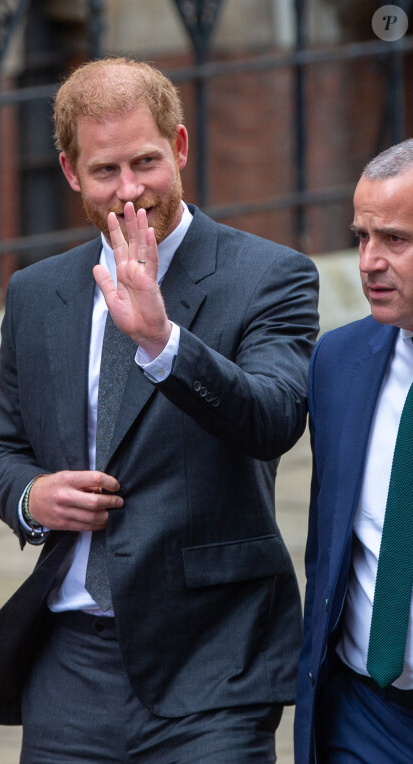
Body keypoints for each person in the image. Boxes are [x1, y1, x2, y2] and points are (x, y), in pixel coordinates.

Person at [0, 57, 319, 763]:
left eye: (147, 161)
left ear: (180, 148)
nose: (131, 191)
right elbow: (2, 451)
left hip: (212, 661)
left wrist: (162, 341)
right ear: (70, 172)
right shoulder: (37, 295)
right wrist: (33, 495)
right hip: (69, 667)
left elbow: (274, 419)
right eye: (105, 171)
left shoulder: (268, 277)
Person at [295, 138, 413, 764]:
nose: (369, 261)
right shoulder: (337, 363)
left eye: (395, 240)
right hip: (365, 716)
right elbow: (330, 547)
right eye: (362, 236)